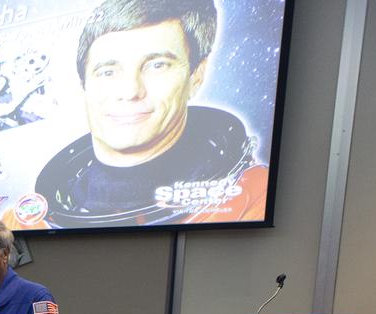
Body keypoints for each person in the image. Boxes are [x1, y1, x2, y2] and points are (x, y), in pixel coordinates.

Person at [32, 0, 268, 229]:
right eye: (107, 71)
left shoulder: (252, 195)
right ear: (83, 84)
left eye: (157, 65)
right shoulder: (24, 219)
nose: (130, 91)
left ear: (197, 76)